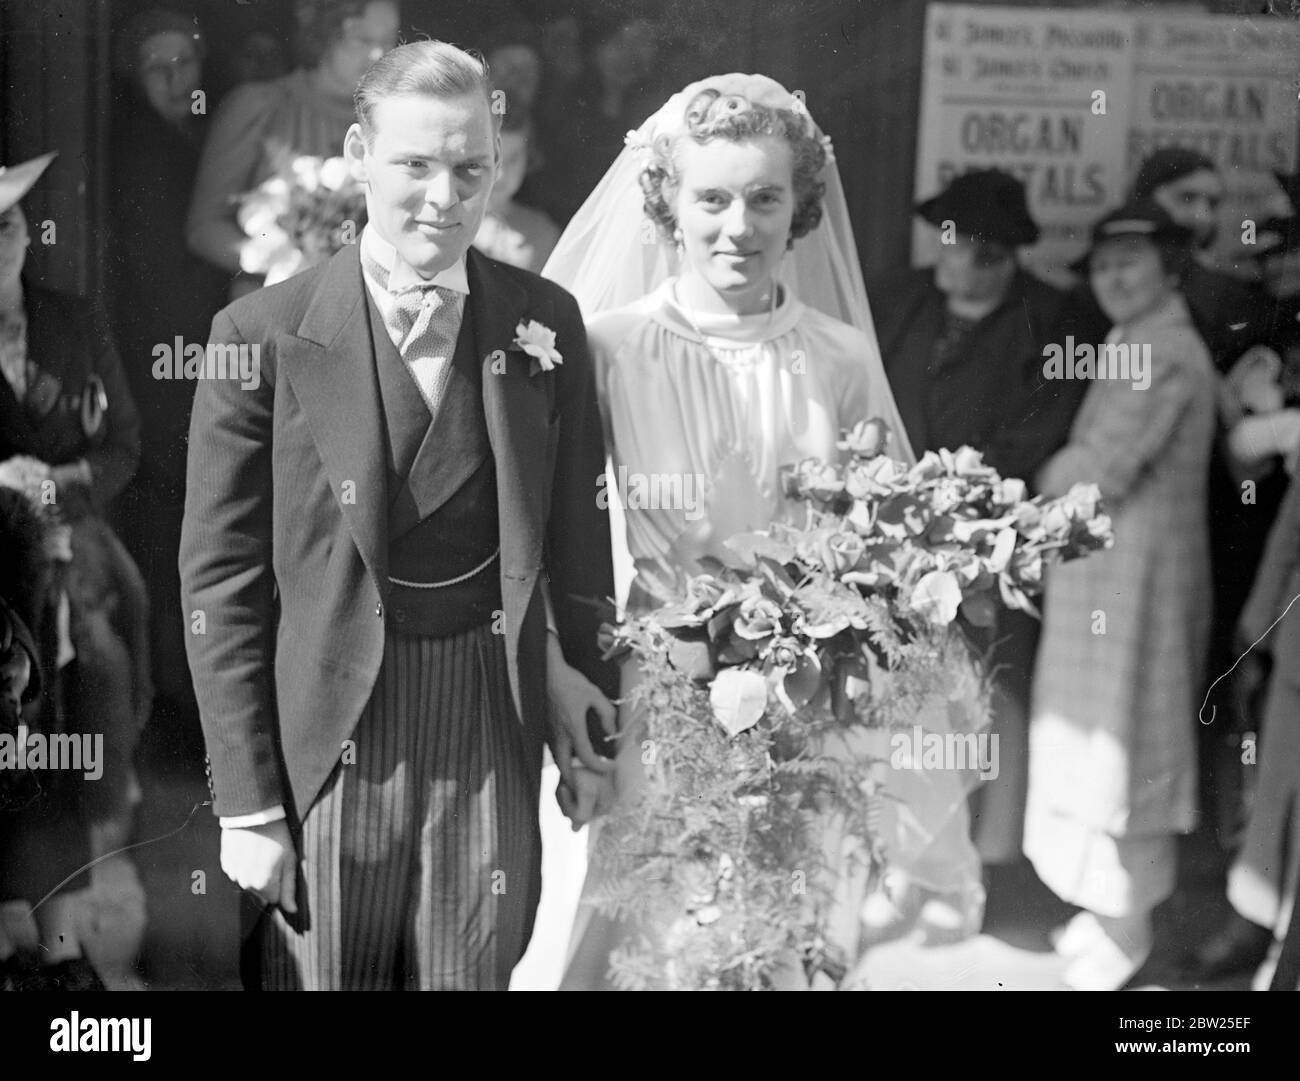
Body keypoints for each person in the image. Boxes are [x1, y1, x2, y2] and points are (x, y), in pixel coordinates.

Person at [179, 39, 619, 991]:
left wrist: (589, 719)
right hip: (332, 734)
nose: (443, 196)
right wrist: (248, 804)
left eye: (470, 168)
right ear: (359, 154)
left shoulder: (546, 324)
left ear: (498, 167)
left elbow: (581, 549)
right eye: (415, 165)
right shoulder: (259, 335)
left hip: (487, 729)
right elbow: (220, 579)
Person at [544, 74, 995, 990]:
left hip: (809, 701)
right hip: (663, 696)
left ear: (801, 208)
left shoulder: (838, 352)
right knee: (653, 920)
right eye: (711, 197)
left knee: (783, 917)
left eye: (764, 198)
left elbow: (886, 524)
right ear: (670, 202)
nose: (736, 225)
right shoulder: (613, 346)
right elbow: (556, 530)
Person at [872, 170, 1100, 874]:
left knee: (991, 692)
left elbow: (1045, 425)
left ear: (1001, 255)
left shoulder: (1057, 317)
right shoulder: (903, 297)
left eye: (965, 248)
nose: (946, 260)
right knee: (905, 690)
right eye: (943, 241)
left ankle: (986, 859)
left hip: (992, 538)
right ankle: (905, 858)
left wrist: (965, 501)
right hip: (896, 535)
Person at [1025, 200, 1216, 991]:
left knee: (1125, 742)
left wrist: (1035, 482)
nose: (1112, 279)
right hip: (1102, 575)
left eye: (1130, 263)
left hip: (1140, 583)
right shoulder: (1128, 340)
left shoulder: (1165, 348)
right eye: (1102, 267)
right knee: (1094, 739)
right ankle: (1101, 912)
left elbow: (1105, 465)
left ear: (1169, 266)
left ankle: (1126, 926)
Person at [0, 151, 147, 989]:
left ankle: (59, 945)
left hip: (68, 560)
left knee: (70, 725)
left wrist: (57, 491)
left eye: (13, 218)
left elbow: (121, 443)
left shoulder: (71, 320)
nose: (6, 236)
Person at [108, 8, 230, 768]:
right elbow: (159, 278)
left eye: (181, 62)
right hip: (167, 369)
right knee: (172, 530)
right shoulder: (144, 151)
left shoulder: (189, 137)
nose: (171, 79)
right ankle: (176, 715)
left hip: (187, 365)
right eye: (154, 65)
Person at [186, 0, 400, 299]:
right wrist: (276, 258)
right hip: (273, 311)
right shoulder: (261, 107)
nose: (378, 54)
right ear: (324, 34)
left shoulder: (394, 122)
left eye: (387, 41)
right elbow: (204, 228)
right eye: (363, 39)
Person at [472, 109, 559, 273]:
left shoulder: (541, 233)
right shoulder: (446, 221)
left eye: (513, 159)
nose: (502, 174)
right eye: (493, 157)